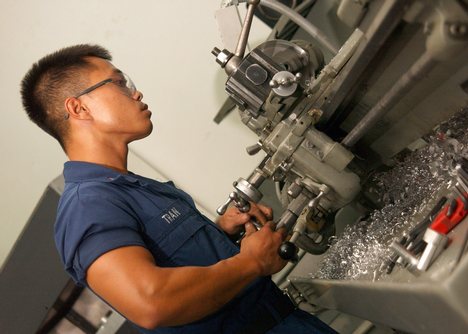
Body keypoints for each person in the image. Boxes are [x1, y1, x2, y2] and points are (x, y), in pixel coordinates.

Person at [20, 44, 336, 334]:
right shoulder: (86, 206)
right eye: (119, 83)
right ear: (78, 109)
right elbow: (151, 302)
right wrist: (251, 262)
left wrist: (221, 235)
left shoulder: (127, 188)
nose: (136, 93)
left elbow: (173, 265)